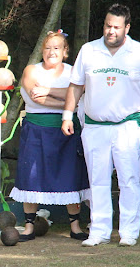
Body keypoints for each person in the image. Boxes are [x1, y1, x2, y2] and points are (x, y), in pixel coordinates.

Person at [62, 4, 140, 247]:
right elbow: (76, 85)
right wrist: (67, 115)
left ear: (127, 27)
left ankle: (129, 231)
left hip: (127, 125)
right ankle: (99, 231)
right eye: (108, 26)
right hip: (95, 126)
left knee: (129, 178)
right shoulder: (89, 50)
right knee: (97, 179)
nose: (111, 31)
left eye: (116, 27)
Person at [9, 30, 90, 242]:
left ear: (65, 52)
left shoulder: (74, 72)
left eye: (56, 48)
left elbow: (80, 93)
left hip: (68, 129)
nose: (51, 52)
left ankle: (75, 225)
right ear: (42, 51)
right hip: (36, 129)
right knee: (31, 177)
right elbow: (36, 100)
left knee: (70, 175)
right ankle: (28, 227)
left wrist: (49, 90)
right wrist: (67, 99)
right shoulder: (31, 70)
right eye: (47, 48)